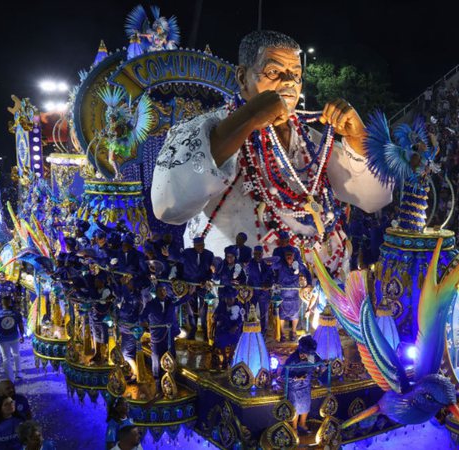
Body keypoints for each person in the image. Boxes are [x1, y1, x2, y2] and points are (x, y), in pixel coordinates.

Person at [151, 30, 393, 272]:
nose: (288, 82)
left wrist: (359, 138)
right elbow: (169, 205)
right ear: (243, 77)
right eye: (274, 72)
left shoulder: (311, 141)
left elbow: (375, 197)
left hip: (318, 290)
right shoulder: (206, 129)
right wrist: (249, 118)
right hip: (242, 292)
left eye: (296, 75)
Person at [140, 283, 192, 384]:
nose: (162, 292)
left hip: (169, 335)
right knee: (156, 357)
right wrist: (144, 323)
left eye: (164, 290)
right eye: (160, 290)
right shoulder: (150, 304)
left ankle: (171, 377)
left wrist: (189, 293)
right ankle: (157, 379)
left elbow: (181, 301)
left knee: (171, 355)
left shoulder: (170, 302)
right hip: (157, 336)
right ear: (156, 292)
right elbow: (142, 317)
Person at [281, 336, 323, 436]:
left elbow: (319, 363)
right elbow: (283, 375)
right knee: (295, 408)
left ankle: (302, 424)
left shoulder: (310, 357)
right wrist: (296, 378)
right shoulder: (292, 360)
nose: (308, 356)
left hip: (306, 385)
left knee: (306, 406)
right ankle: (294, 427)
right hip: (294, 388)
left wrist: (322, 365)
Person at [180, 237, 215, 341]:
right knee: (191, 308)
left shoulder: (209, 254)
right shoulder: (187, 253)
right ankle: (193, 329)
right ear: (194, 245)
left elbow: (211, 271)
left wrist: (207, 279)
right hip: (190, 285)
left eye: (202, 244)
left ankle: (204, 330)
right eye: (199, 245)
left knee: (203, 309)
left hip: (203, 286)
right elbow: (179, 264)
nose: (201, 247)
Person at [274, 250, 311, 342]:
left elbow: (307, 273)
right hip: (283, 294)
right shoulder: (281, 264)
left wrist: (309, 284)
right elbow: (272, 267)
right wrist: (273, 261)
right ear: (285, 256)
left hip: (294, 293)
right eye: (287, 255)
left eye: (290, 255)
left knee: (295, 315)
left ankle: (293, 332)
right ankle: (282, 334)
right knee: (282, 315)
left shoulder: (298, 264)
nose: (289, 257)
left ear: (294, 255)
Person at [0, 298, 23, 382]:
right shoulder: (16, 313)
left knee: (6, 358)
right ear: (10, 303)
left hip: (2, 339)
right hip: (14, 337)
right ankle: (19, 373)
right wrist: (22, 335)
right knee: (16, 354)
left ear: (2, 304)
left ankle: (10, 378)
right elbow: (21, 326)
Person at [210, 286, 243, 370]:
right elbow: (216, 315)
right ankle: (224, 358)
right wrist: (215, 317)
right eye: (227, 299)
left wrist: (236, 326)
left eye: (231, 299)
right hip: (223, 327)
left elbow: (241, 319)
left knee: (234, 337)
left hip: (234, 327)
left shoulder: (239, 306)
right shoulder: (222, 305)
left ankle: (230, 357)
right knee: (220, 337)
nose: (229, 301)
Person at [245, 246, 272, 333]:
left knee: (264, 313)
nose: (257, 255)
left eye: (259, 253)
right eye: (256, 253)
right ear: (253, 253)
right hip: (253, 292)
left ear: (262, 254)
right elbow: (248, 277)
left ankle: (263, 331)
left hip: (264, 293)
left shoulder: (266, 264)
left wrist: (269, 284)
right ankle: (250, 329)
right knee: (250, 310)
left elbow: (271, 277)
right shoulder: (250, 264)